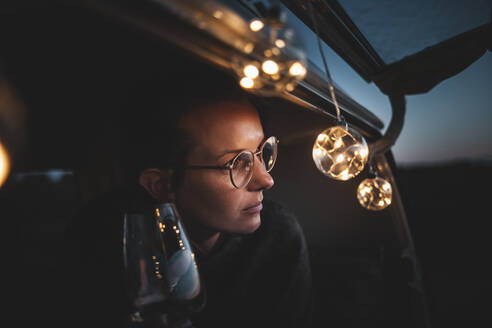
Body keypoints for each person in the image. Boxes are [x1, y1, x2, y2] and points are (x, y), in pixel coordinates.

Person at [61, 62, 313, 328]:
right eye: (237, 163)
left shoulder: (277, 233)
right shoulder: (101, 239)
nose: (266, 180)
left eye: (262, 152)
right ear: (160, 185)